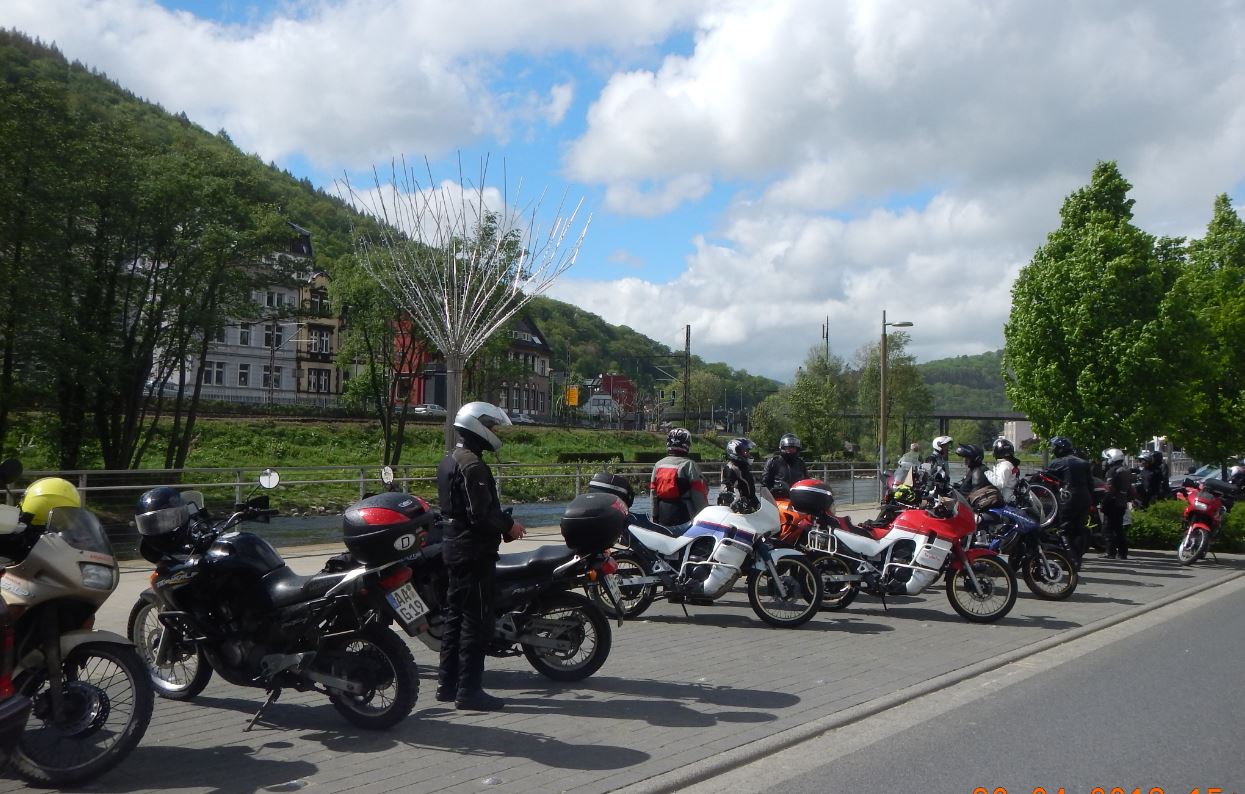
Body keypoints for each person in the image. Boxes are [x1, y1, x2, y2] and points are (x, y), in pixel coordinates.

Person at [435, 401, 526, 712]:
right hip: (473, 552)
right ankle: (469, 691)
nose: (495, 431)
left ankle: (447, 684)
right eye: (492, 426)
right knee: (477, 621)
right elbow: (481, 514)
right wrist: (510, 526)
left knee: (455, 617)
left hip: (454, 547)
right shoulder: (473, 466)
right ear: (478, 425)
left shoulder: (450, 459)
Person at [1046, 435, 1094, 568]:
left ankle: (1071, 561)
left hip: (1067, 499)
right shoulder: (1084, 463)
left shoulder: (1057, 463)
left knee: (1064, 530)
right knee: (1079, 529)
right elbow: (1091, 484)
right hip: (1085, 498)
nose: (1053, 450)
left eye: (1054, 448)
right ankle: (1077, 559)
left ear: (1059, 448)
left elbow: (1045, 478)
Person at [650, 427, 709, 533]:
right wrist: (705, 517)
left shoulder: (658, 465)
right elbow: (698, 494)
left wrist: (654, 516)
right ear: (687, 444)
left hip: (663, 515)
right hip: (685, 515)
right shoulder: (689, 465)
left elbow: (653, 493)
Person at [1101, 447, 1138, 560]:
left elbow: (1109, 489)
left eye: (1107, 459)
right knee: (1118, 529)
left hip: (1112, 503)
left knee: (1108, 528)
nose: (1105, 461)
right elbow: (1130, 489)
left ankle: (1110, 552)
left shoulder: (1112, 471)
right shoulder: (1126, 470)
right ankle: (1122, 553)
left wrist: (1104, 503)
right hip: (1121, 503)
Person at [718, 438, 760, 513]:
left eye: (748, 451)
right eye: (745, 451)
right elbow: (725, 491)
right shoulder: (731, 469)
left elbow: (750, 493)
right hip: (738, 512)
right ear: (735, 452)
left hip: (749, 508)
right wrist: (737, 503)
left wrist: (758, 505)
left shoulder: (743, 468)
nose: (748, 453)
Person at [761, 433, 809, 499]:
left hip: (798, 499)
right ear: (783, 447)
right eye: (788, 447)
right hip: (778, 499)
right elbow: (764, 484)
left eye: (793, 447)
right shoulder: (773, 462)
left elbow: (807, 481)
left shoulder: (800, 463)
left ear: (797, 449)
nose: (791, 449)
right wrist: (773, 490)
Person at [986, 437, 1021, 504]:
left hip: (1006, 499)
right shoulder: (1008, 464)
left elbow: (999, 484)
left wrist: (986, 473)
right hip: (1009, 495)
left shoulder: (1004, 466)